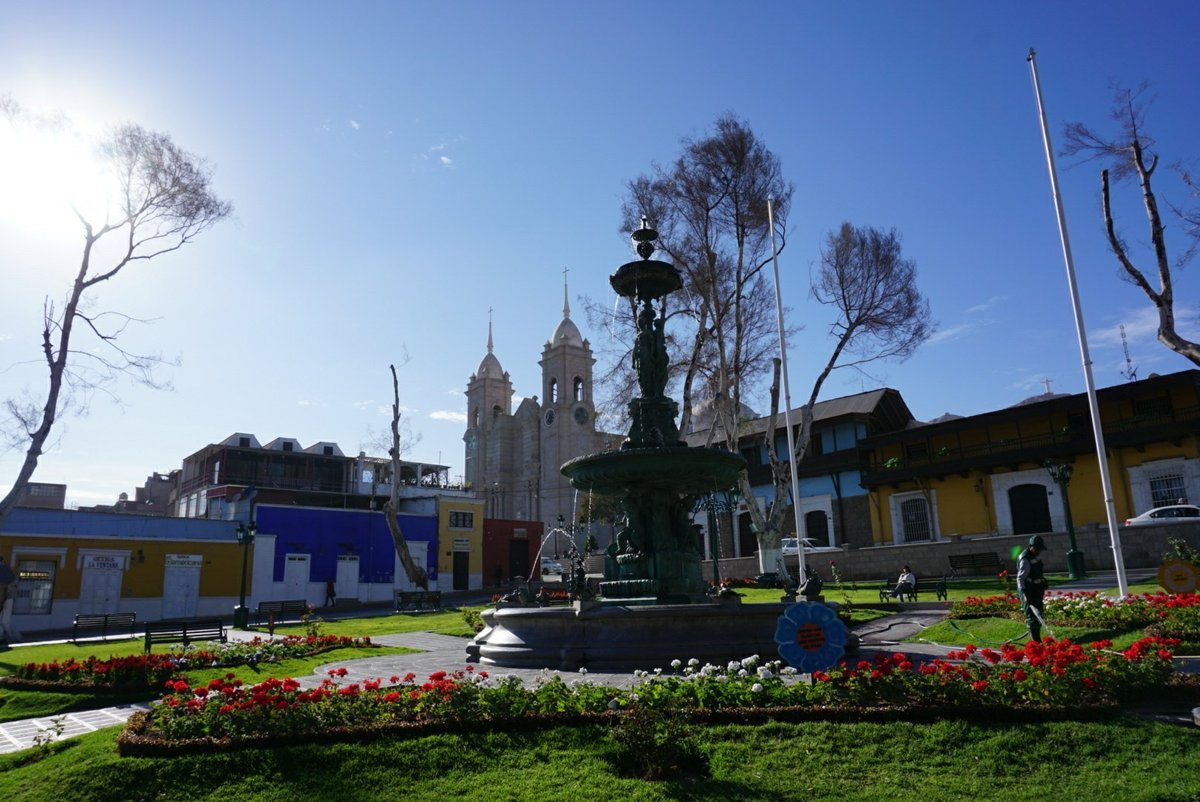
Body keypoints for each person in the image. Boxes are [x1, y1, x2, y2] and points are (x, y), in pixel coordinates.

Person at [1017, 535, 1049, 641]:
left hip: (1036, 590)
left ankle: (1036, 637)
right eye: (1037, 548)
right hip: (1028, 590)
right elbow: (1020, 579)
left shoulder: (1034, 556)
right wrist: (1025, 594)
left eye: (1040, 549)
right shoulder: (1025, 559)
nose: (1039, 551)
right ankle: (1036, 642)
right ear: (1031, 546)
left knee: (1039, 614)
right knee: (1032, 616)